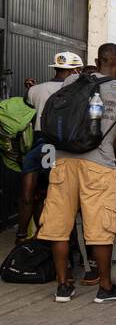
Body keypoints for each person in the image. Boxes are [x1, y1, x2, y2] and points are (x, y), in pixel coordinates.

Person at [35, 42, 116, 303]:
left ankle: (63, 286)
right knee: (100, 226)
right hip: (99, 164)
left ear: (97, 59)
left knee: (58, 225)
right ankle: (105, 288)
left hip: (63, 160)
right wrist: (112, 152)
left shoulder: (71, 83)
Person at [17, 52, 82, 241]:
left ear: (55, 67)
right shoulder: (75, 90)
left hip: (35, 147)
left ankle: (21, 234)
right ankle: (45, 235)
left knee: (28, 193)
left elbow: (28, 103)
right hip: (53, 147)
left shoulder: (34, 90)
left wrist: (31, 87)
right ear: (74, 70)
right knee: (49, 192)